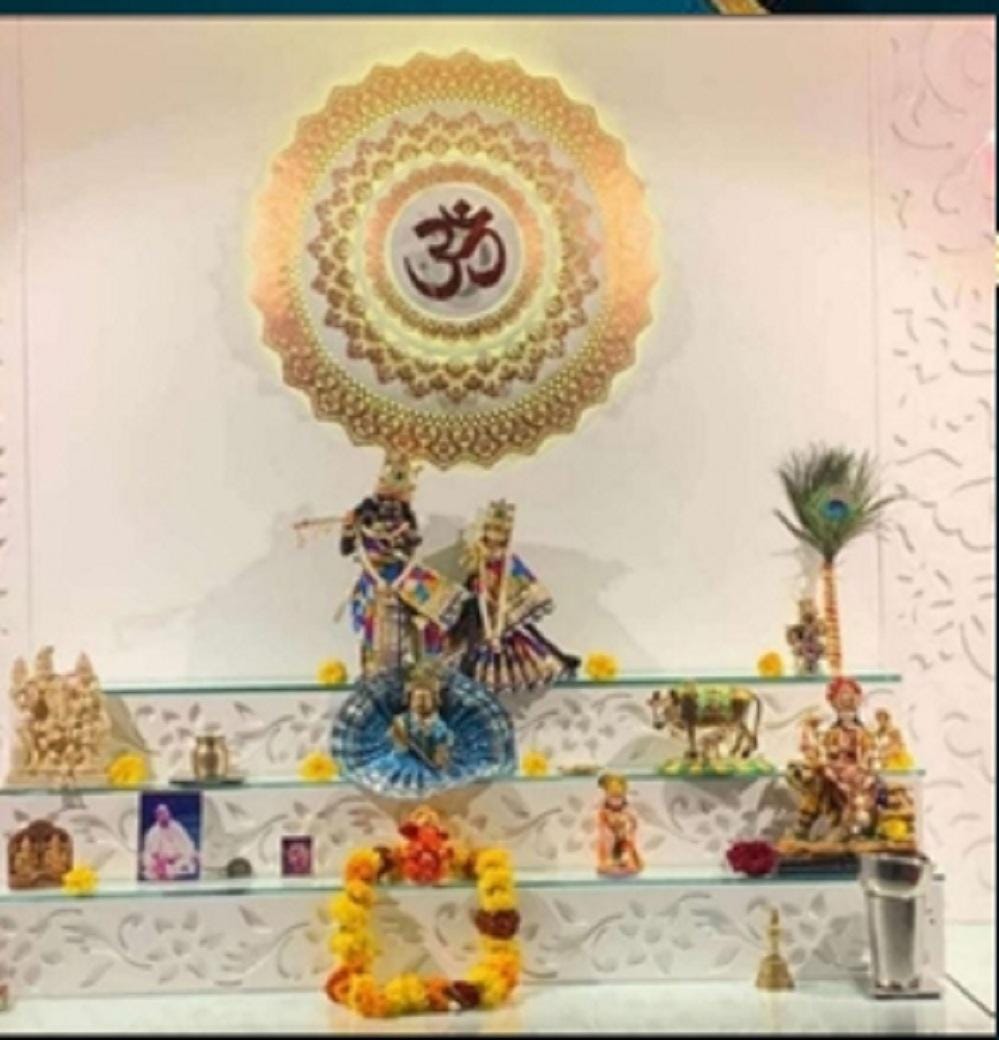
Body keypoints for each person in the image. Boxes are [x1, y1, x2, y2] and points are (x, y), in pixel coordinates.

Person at [453, 499, 579, 696]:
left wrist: (502, 616)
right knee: (475, 649)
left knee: (522, 643)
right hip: (484, 614)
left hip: (506, 612)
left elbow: (521, 585)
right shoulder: (477, 560)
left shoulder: (509, 562)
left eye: (500, 534)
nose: (494, 540)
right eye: (491, 531)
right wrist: (489, 625)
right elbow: (478, 593)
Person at [141, 803, 199, 881]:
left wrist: (176, 859)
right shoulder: (152, 832)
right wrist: (160, 862)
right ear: (156, 816)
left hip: (178, 861)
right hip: (160, 863)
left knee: (188, 861)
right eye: (160, 814)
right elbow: (150, 853)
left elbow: (187, 845)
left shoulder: (177, 828)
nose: (163, 816)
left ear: (169, 814)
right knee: (150, 866)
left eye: (165, 813)